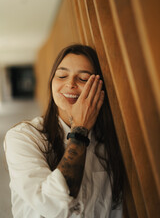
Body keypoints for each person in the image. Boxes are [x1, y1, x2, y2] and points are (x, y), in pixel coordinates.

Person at [4, 44, 124, 218]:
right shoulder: (23, 136)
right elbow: (53, 208)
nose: (70, 84)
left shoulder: (109, 143)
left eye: (83, 79)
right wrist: (80, 130)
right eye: (61, 75)